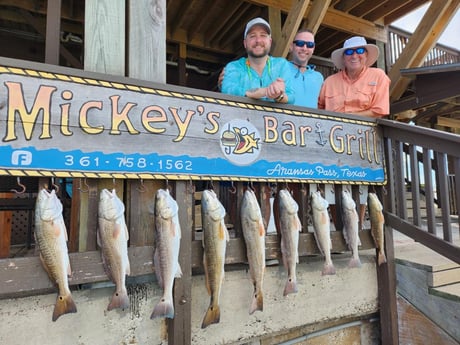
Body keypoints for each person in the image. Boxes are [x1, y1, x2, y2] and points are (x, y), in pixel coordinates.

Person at [221, 17, 294, 104]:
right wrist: (263, 92)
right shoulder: (234, 66)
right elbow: (227, 90)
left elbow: (291, 97)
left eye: (263, 35)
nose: (258, 40)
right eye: (252, 36)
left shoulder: (281, 64)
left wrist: (278, 95)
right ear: (245, 43)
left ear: (270, 42)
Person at [318, 36, 390, 118]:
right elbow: (319, 109)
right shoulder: (329, 82)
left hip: (366, 129)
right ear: (343, 58)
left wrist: (347, 118)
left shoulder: (379, 76)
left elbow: (379, 111)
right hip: (332, 129)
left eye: (360, 51)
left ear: (366, 55)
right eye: (349, 52)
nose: (354, 56)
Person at [287, 29, 323, 108]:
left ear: (313, 49)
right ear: (291, 46)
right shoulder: (280, 69)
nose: (304, 48)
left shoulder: (319, 77)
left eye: (310, 45)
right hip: (285, 120)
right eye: (300, 43)